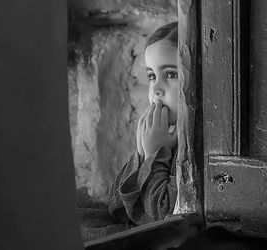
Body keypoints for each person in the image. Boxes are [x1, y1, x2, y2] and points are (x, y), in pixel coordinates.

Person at [77, 21, 180, 242]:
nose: (157, 89)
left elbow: (164, 216)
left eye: (171, 74)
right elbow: (116, 207)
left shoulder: (192, 143)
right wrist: (141, 155)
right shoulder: (163, 134)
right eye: (152, 76)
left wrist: (157, 154)